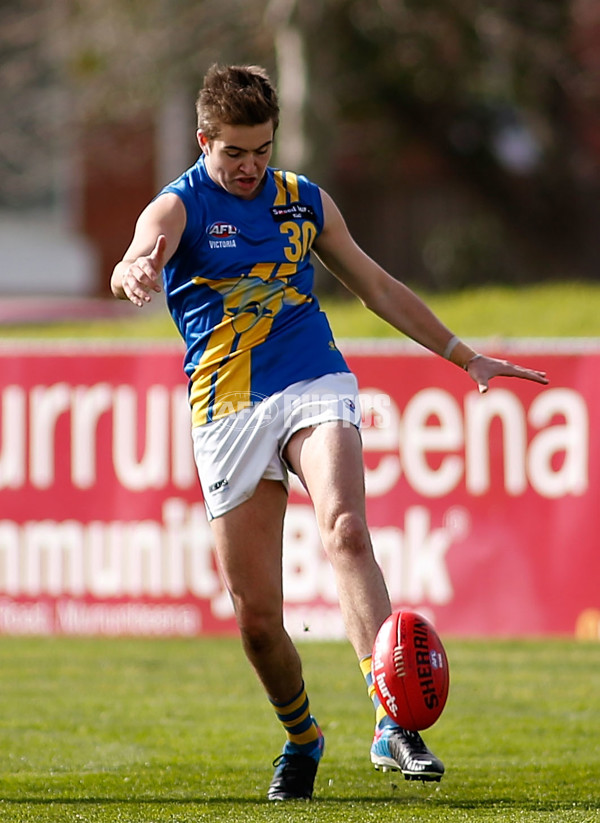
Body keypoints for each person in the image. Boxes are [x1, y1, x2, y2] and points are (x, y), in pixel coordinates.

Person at [111, 64, 548, 801]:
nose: (251, 167)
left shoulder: (302, 201)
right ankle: (302, 736)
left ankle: (392, 721)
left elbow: (375, 285)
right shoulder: (178, 205)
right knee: (256, 620)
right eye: (235, 154)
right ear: (203, 141)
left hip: (312, 375)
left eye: (263, 150)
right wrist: (134, 268)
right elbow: (144, 245)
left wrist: (463, 354)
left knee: (346, 528)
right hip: (226, 408)